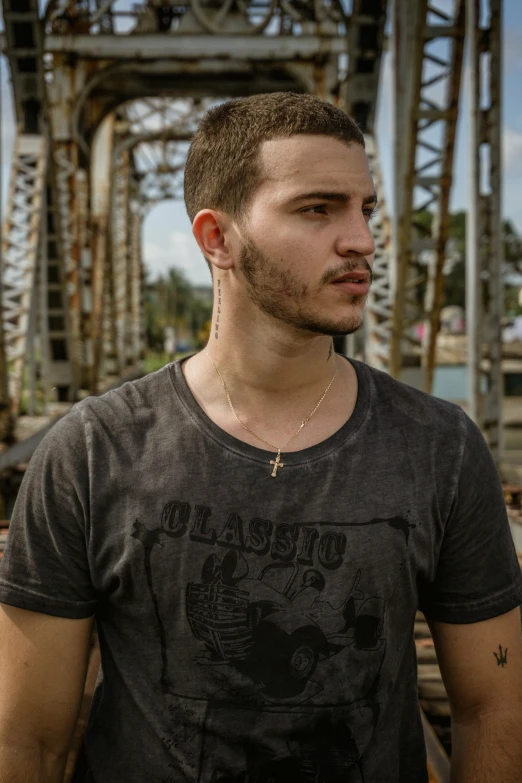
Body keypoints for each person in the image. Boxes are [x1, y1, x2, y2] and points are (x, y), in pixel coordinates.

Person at [0, 92, 521, 783]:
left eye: (365, 209)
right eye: (317, 208)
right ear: (218, 238)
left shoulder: (441, 446)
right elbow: (27, 740)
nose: (362, 240)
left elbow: (495, 710)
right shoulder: (91, 452)